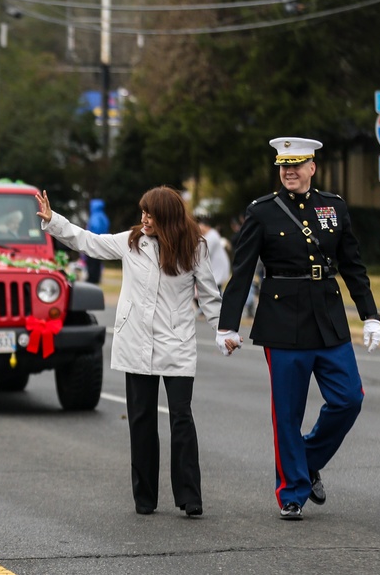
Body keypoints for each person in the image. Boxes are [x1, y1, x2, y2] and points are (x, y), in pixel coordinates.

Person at [216, 137, 380, 521]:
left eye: (297, 164)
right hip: (282, 320)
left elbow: (353, 266)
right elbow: (242, 273)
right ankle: (292, 492)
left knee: (349, 399)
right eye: (283, 165)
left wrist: (369, 315)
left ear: (312, 168)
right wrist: (228, 325)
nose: (289, 171)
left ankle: (306, 461)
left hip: (327, 316)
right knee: (287, 412)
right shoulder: (261, 212)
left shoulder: (334, 207)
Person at [36, 186, 224, 517]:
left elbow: (209, 294)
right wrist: (54, 221)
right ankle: (145, 497)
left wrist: (224, 330)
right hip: (135, 341)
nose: (144, 219)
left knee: (181, 417)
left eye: (150, 214)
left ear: (166, 216)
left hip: (175, 343)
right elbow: (89, 242)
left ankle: (189, 496)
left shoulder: (194, 247)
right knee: (141, 419)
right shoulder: (132, 241)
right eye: (142, 212)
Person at [198, 215, 231, 291]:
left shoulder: (211, 236)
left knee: (215, 291)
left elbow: (202, 255)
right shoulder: (212, 234)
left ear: (204, 226)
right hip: (217, 269)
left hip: (217, 270)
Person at [84, 198, 110, 284]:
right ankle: (96, 278)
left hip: (94, 242)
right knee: (98, 261)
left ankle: (92, 278)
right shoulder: (103, 216)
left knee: (92, 260)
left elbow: (94, 229)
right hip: (102, 242)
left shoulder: (95, 216)